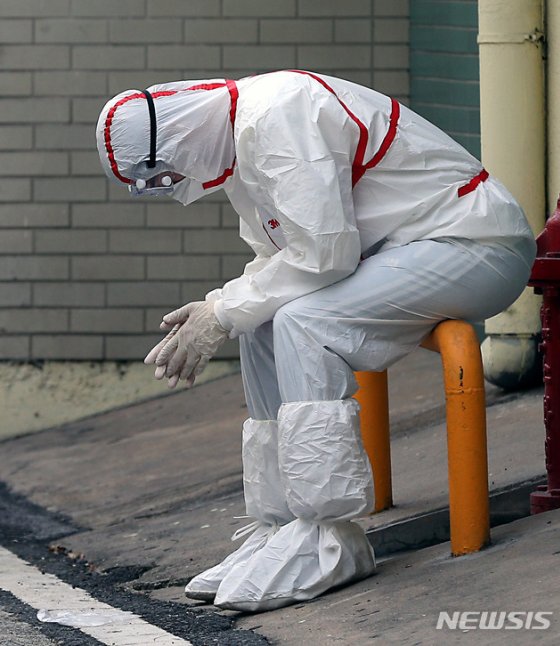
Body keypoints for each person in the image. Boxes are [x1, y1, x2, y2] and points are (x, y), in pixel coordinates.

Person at [96, 70, 536, 612]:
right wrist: (224, 305)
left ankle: (330, 536)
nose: (169, 185)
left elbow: (324, 257)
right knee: (261, 322)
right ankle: (279, 525)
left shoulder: (281, 112)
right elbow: (284, 261)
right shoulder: (242, 137)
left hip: (475, 244)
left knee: (306, 322)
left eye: (161, 174)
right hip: (407, 251)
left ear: (178, 140)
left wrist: (223, 309)